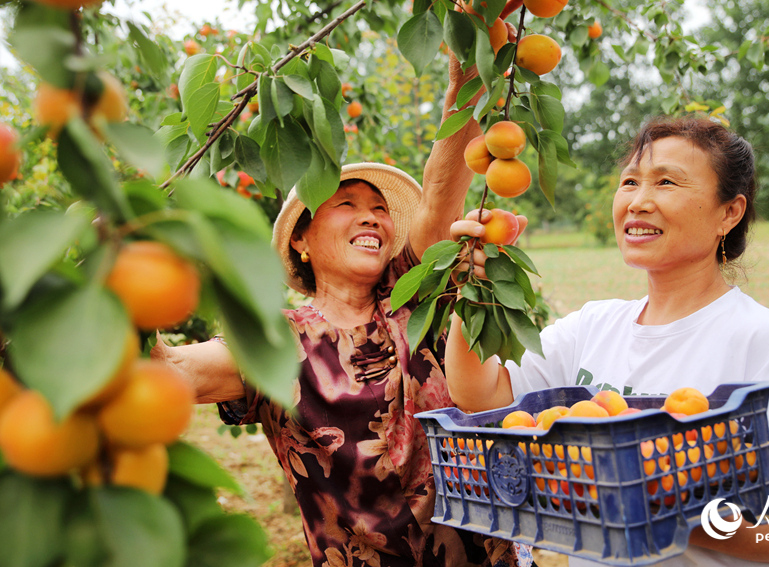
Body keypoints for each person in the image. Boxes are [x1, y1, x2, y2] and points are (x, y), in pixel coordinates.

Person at [151, 56, 532, 567]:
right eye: (346, 204)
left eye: (379, 209)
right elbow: (173, 372)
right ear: (302, 238)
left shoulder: (414, 291)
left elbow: (441, 194)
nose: (371, 217)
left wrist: (466, 75)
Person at [444, 117, 769, 567]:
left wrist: (662, 513)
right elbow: (481, 394)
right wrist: (471, 290)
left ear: (729, 213)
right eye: (629, 181)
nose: (638, 201)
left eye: (667, 182)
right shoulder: (594, 325)